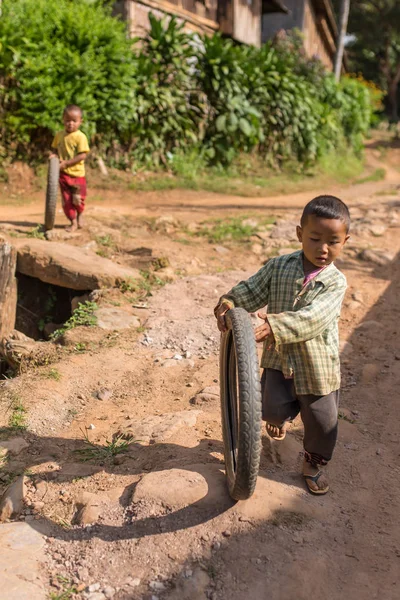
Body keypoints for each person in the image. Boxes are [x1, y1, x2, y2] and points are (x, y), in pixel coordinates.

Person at [214, 195, 350, 495]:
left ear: (345, 241)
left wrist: (275, 325)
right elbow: (253, 288)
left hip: (317, 368)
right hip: (279, 361)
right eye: (315, 238)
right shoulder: (279, 266)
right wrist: (230, 302)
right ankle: (282, 418)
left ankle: (312, 465)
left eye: (334, 242)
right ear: (300, 234)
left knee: (322, 424)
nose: (323, 248)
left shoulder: (336, 282)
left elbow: (314, 318)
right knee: (269, 408)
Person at [50, 105, 90, 232]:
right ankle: (73, 221)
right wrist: (53, 156)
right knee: (67, 200)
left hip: (77, 175)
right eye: (67, 120)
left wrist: (67, 163)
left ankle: (80, 216)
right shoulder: (59, 135)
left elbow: (82, 155)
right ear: (63, 120)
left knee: (78, 199)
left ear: (80, 121)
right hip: (63, 174)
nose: (70, 124)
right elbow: (54, 149)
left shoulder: (80, 137)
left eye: (74, 121)